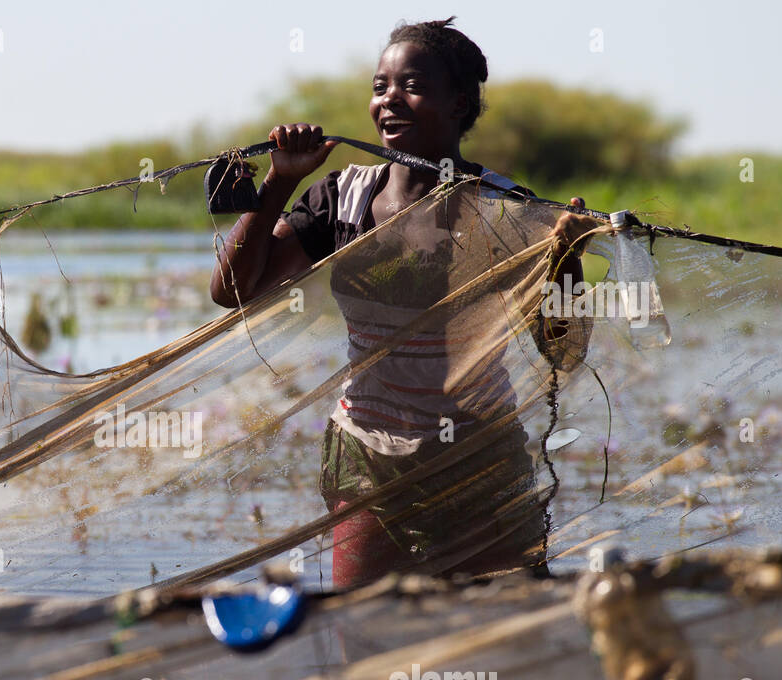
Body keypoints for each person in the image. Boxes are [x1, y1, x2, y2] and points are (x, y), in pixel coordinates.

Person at [209, 17, 592, 587]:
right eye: (380, 86)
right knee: (362, 632)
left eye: (411, 85)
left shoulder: (505, 208)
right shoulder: (339, 198)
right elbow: (232, 292)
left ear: (459, 103)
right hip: (368, 451)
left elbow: (563, 352)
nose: (390, 100)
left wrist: (567, 257)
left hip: (479, 455)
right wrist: (279, 182)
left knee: (502, 634)